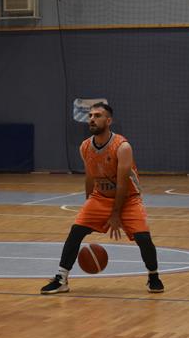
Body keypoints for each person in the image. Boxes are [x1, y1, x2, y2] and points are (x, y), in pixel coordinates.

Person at [41, 103, 164, 294]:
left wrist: (115, 214)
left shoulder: (122, 147)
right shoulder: (85, 147)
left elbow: (122, 184)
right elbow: (90, 177)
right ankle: (61, 278)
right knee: (76, 231)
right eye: (90, 115)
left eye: (97, 115)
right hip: (100, 198)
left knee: (143, 238)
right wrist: (88, 203)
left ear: (108, 121)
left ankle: (153, 277)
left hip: (128, 198)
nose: (92, 119)